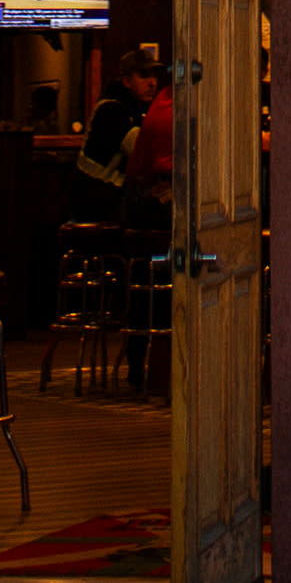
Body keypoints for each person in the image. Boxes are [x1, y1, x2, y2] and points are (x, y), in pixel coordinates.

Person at [122, 63, 177, 395]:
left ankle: (140, 364)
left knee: (149, 282)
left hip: (139, 205)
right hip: (154, 204)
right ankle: (167, 369)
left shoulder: (162, 102)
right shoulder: (178, 109)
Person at [72, 47, 158, 226]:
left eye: (154, 75)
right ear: (126, 81)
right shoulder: (111, 109)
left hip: (107, 197)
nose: (152, 82)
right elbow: (142, 151)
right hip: (96, 201)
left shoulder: (135, 108)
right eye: (144, 75)